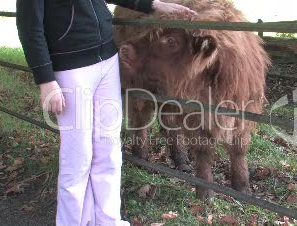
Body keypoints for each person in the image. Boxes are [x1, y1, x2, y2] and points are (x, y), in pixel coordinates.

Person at [16, 0, 196, 225]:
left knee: (109, 150)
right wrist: (45, 80)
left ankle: (107, 220)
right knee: (77, 156)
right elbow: (28, 24)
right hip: (71, 67)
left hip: (107, 59)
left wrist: (154, 5)